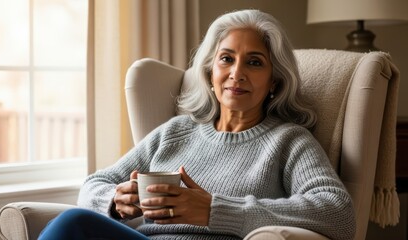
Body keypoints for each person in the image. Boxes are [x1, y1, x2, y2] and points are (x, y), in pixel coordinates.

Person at [39, 9, 355, 240]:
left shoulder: (289, 141)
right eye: (226, 59)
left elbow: (338, 212)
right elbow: (94, 183)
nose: (237, 73)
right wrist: (114, 200)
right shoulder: (175, 132)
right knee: (72, 222)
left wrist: (216, 210)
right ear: (209, 72)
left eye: (254, 62)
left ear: (274, 81)